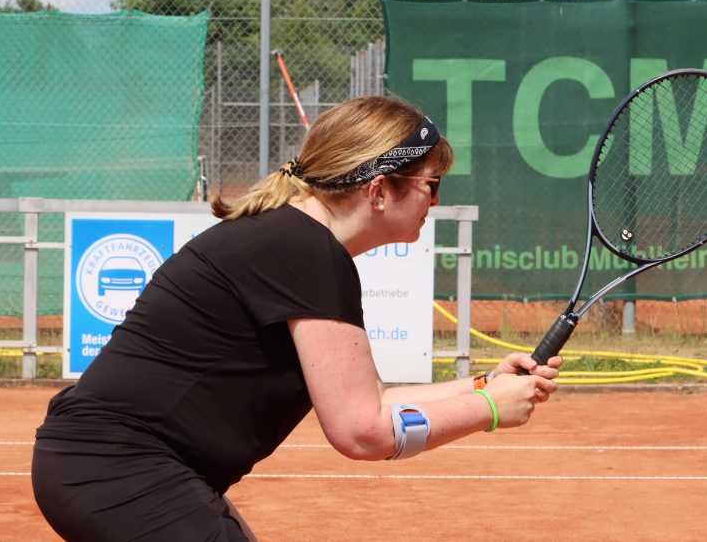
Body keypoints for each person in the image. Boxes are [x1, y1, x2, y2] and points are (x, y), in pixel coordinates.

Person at [32, 95, 562, 541]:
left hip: (115, 467)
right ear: (379, 189)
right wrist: (489, 410)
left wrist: (482, 384)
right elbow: (362, 433)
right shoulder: (306, 251)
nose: (437, 199)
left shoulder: (295, 239)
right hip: (120, 469)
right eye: (431, 183)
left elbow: (371, 401)